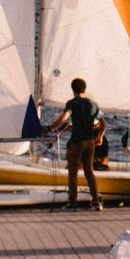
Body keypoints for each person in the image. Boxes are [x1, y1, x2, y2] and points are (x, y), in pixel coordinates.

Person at [48, 78, 103, 211]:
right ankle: (97, 202)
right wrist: (99, 137)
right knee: (89, 172)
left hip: (76, 142)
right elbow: (103, 123)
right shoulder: (93, 104)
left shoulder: (72, 103)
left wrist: (50, 128)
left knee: (72, 173)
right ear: (85, 89)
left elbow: (64, 118)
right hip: (90, 142)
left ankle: (72, 204)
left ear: (73, 90)